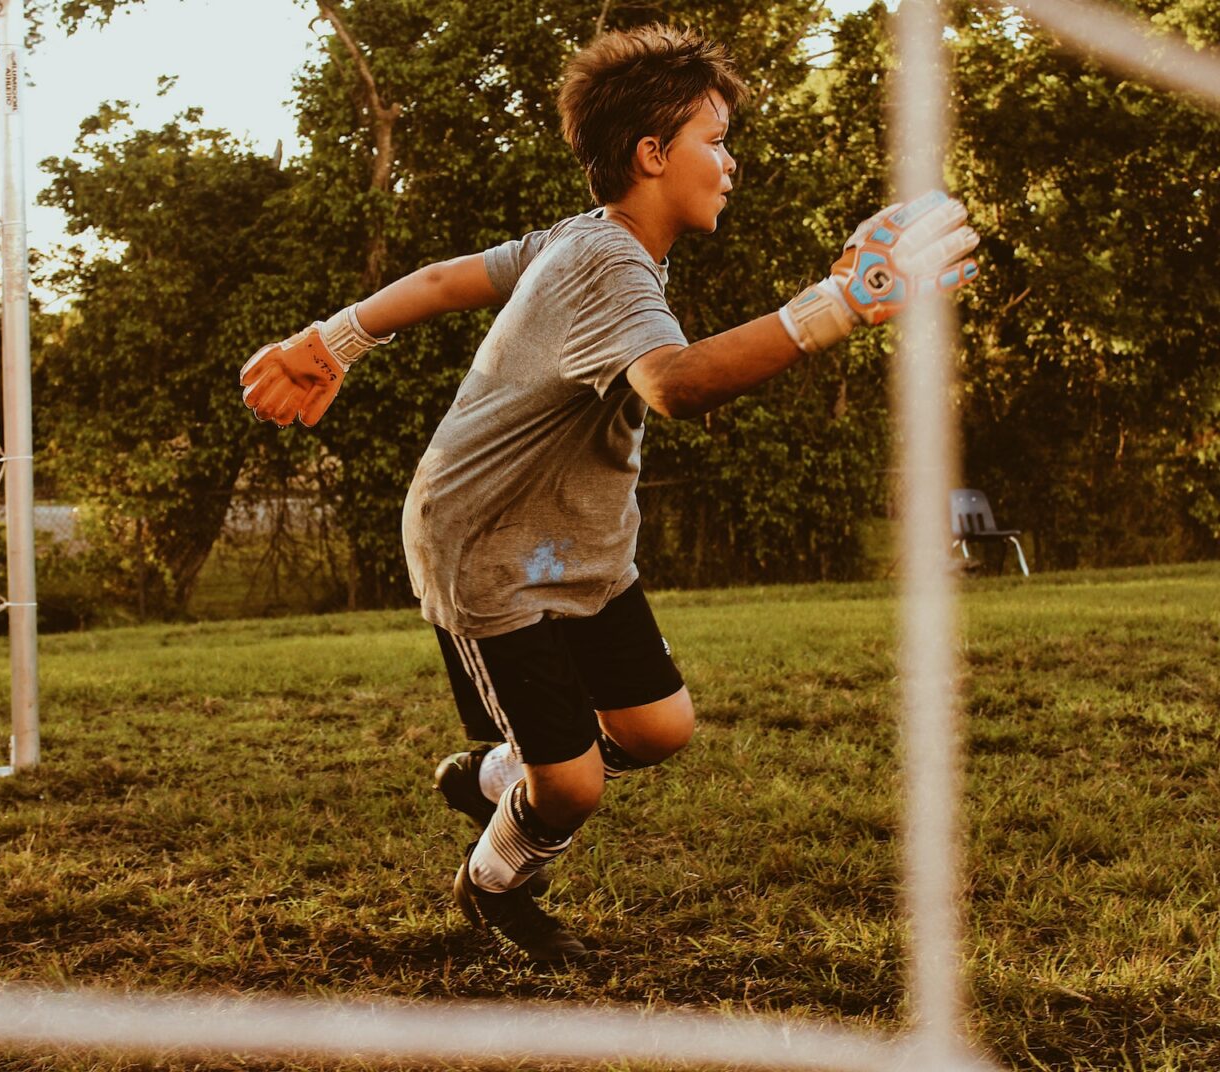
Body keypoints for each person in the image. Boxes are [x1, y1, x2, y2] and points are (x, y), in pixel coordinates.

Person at [239, 23, 978, 964]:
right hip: (491, 553)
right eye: (716, 141)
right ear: (651, 154)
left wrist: (332, 340)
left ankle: (502, 771)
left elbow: (440, 280)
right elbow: (674, 385)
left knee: (659, 728)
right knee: (576, 787)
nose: (731, 163)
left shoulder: (581, 239)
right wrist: (837, 304)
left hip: (571, 547)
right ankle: (496, 879)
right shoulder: (606, 261)